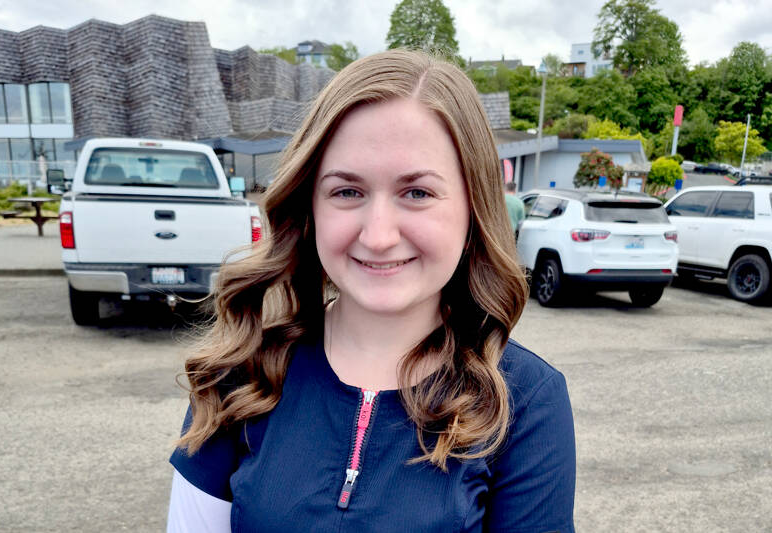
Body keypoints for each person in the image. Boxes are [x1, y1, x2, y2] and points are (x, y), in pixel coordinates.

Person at [167, 49, 575, 532]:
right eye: (347, 191)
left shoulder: (525, 401)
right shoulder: (238, 374)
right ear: (309, 205)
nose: (378, 235)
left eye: (417, 193)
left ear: (473, 210)